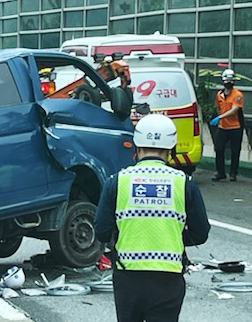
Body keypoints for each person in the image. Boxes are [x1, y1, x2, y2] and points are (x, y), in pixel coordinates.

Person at [94, 114, 210, 322]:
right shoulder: (184, 183)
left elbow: (101, 231)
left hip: (128, 277)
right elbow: (200, 233)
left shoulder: (116, 182)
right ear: (171, 148)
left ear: (136, 147)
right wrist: (170, 233)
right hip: (168, 279)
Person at [209, 69, 244, 182]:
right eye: (227, 80)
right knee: (218, 149)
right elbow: (218, 108)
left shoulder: (238, 95)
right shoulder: (219, 94)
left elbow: (234, 110)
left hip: (235, 127)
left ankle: (233, 173)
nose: (229, 82)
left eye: (231, 80)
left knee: (235, 150)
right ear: (223, 81)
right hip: (223, 127)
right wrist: (214, 117)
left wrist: (220, 118)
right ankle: (220, 172)